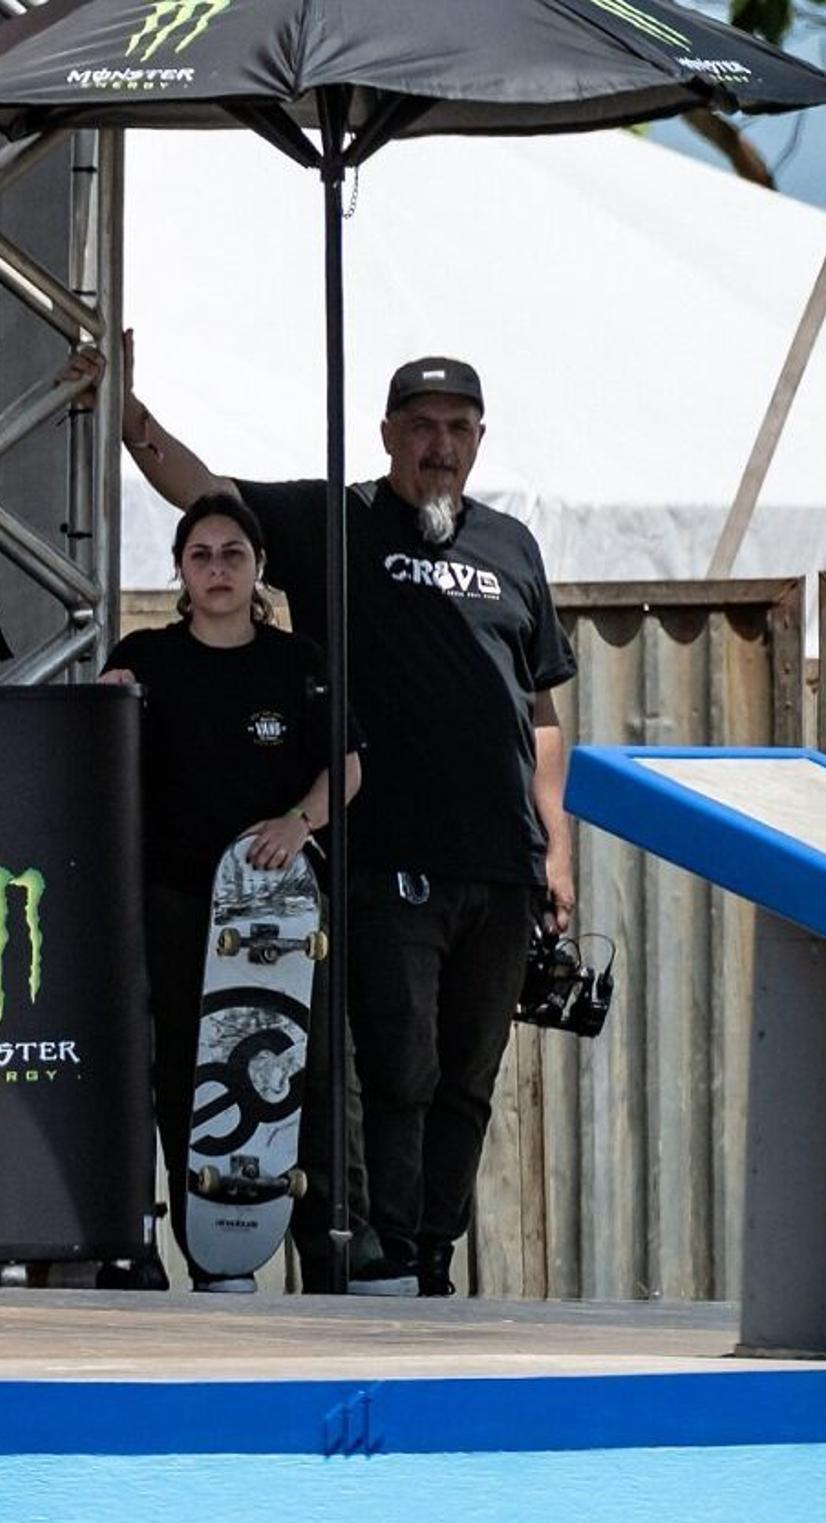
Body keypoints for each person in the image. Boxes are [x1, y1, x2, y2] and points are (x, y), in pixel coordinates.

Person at [111, 347, 577, 1298]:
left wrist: (558, 850)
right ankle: (387, 1254)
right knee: (392, 1072)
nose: (439, 446)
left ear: (479, 439)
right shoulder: (342, 521)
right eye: (421, 427)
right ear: (387, 436)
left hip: (503, 863)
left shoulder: (515, 547)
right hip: (386, 858)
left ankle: (432, 1258)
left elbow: (545, 711)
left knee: (467, 1082)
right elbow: (210, 497)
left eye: (457, 428)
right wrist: (129, 418)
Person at [103, 492, 361, 1292]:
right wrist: (105, 706)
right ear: (180, 569)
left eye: (233, 554)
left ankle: (328, 1252)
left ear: (258, 570)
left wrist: (297, 822)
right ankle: (212, 1251)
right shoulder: (145, 656)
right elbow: (96, 761)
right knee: (189, 1072)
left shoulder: (300, 663)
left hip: (278, 914)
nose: (217, 568)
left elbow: (347, 766)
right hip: (176, 901)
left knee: (302, 1072)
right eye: (201, 554)